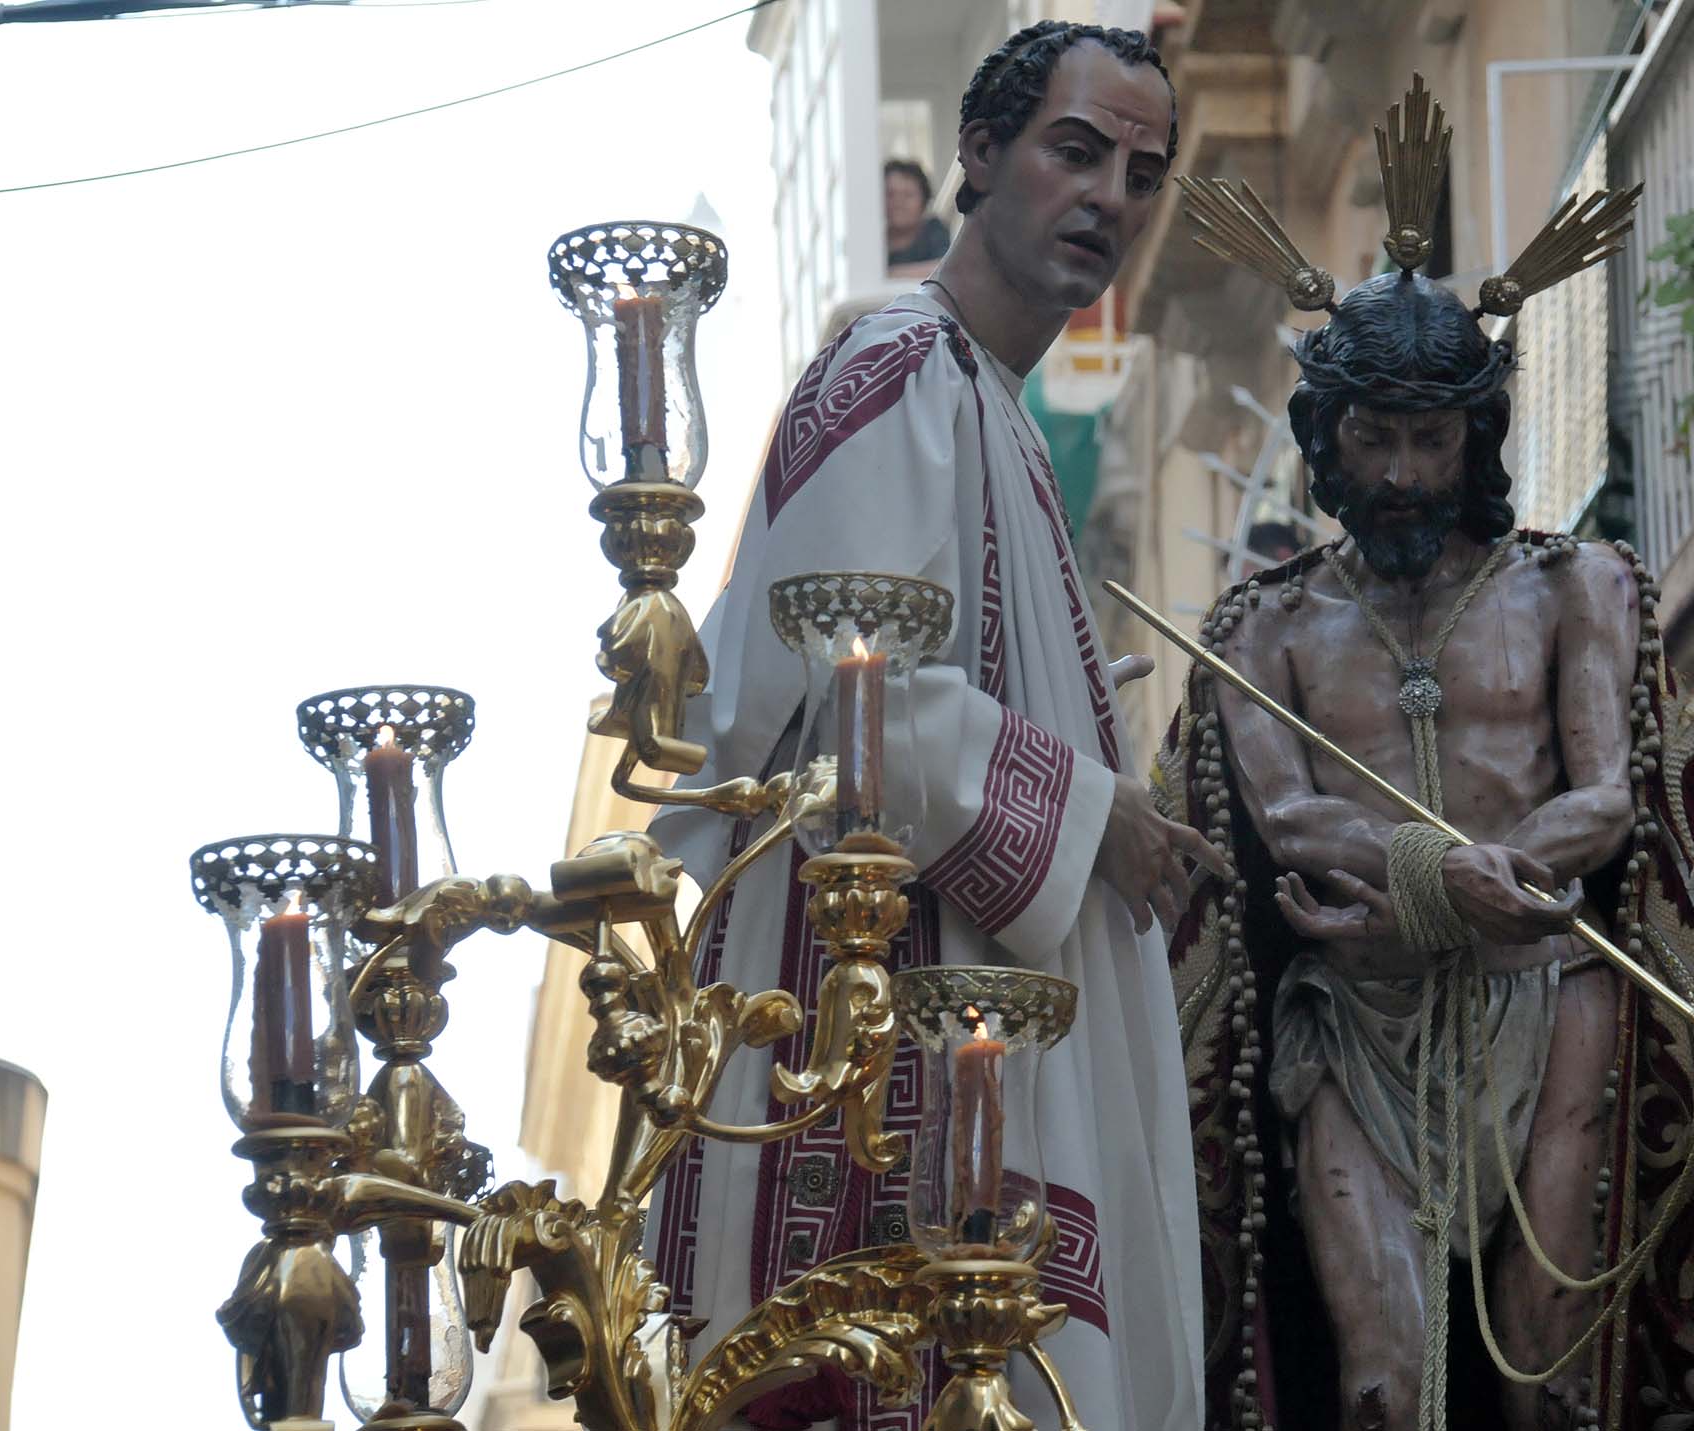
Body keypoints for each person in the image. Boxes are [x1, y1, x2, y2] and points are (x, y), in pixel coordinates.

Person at [1157, 82, 1694, 1431]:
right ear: (1324, 439)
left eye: (1428, 437)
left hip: (1545, 988)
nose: (1398, 470)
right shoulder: (1258, 621)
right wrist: (1445, 878)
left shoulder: (1577, 584)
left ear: (1475, 436)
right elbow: (1281, 813)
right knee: (1382, 1384)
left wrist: (1469, 888)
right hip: (1354, 1008)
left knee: (1538, 1375)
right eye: (1371, 437)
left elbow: (1603, 793)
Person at [645, 21, 1220, 1431]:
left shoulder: (997, 412)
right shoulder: (902, 368)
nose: (1108, 198)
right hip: (884, 1030)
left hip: (981, 1016)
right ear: (978, 154)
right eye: (1073, 151)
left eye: (1140, 174)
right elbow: (851, 693)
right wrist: (1096, 808)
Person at [884, 158, 950, 269]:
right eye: (890, 194)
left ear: (924, 200)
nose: (898, 202)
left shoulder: (934, 230)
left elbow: (943, 269)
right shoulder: (873, 237)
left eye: (908, 195)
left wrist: (888, 274)